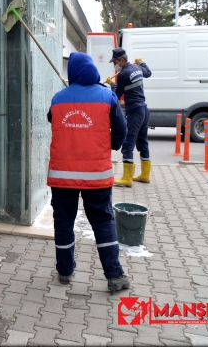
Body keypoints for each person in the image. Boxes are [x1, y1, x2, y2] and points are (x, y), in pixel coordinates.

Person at [47, 52, 130, 292]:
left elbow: (51, 118)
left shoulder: (58, 99)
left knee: (63, 222)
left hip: (63, 176)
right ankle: (114, 275)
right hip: (97, 175)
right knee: (103, 223)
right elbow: (121, 131)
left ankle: (64, 271)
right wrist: (112, 144)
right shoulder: (107, 96)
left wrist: (67, 97)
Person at [105, 47, 152, 187]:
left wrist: (111, 84)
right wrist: (142, 62)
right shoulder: (137, 68)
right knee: (142, 141)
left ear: (122, 60)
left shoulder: (123, 74)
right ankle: (145, 175)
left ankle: (127, 178)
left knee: (127, 143)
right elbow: (148, 73)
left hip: (135, 111)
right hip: (144, 109)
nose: (115, 64)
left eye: (116, 61)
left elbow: (117, 96)